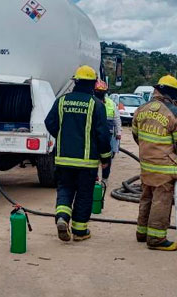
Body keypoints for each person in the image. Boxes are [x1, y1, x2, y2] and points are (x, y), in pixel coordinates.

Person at [44, 65, 112, 242]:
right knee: (83, 195)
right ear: (93, 84)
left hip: (63, 159)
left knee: (65, 189)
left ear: (75, 82)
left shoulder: (62, 101)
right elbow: (103, 135)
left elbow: (49, 122)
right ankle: (80, 232)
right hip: (86, 163)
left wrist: (63, 135)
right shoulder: (96, 105)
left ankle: (62, 218)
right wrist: (105, 159)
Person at [132, 75, 177, 251]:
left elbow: (136, 135)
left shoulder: (141, 109)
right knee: (161, 201)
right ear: (173, 94)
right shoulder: (174, 113)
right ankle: (156, 239)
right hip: (165, 167)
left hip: (146, 164)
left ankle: (142, 233)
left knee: (146, 197)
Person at [94, 80, 122, 183]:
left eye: (102, 91)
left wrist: (118, 133)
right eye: (98, 91)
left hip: (108, 135)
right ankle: (95, 177)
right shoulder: (91, 101)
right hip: (94, 134)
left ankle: (105, 179)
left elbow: (117, 119)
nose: (100, 93)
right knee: (93, 157)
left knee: (107, 158)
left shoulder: (111, 103)